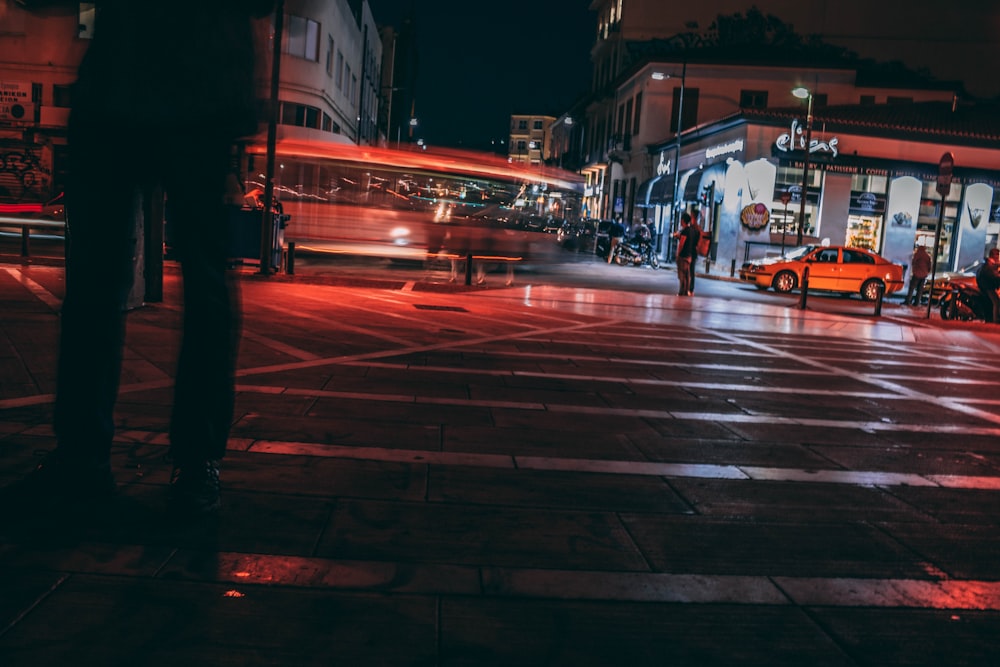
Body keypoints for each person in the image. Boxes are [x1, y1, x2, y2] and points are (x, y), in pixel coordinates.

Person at [2, 2, 276, 516]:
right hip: (198, 83)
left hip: (131, 82)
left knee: (98, 284)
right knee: (200, 284)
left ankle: (88, 458)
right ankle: (193, 461)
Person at [674, 212, 700, 296]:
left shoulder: (685, 231)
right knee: (688, 274)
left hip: (684, 255)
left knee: (682, 274)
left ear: (683, 221)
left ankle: (683, 291)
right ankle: (688, 290)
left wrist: (678, 254)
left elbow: (682, 243)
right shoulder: (694, 231)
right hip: (690, 255)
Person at [976, 247, 1000, 324]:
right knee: (996, 302)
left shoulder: (990, 263)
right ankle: (995, 320)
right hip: (988, 287)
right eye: (997, 254)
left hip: (988, 286)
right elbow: (993, 275)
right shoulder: (989, 264)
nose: (998, 256)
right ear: (993, 255)